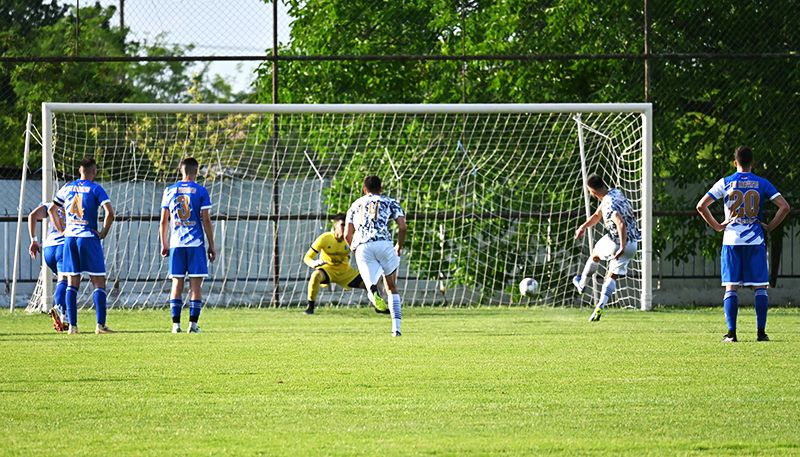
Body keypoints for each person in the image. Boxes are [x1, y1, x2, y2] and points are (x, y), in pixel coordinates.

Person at [696, 146, 790, 342]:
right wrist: (770, 226)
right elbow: (784, 207)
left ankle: (731, 334)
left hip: (731, 240)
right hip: (755, 239)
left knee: (731, 287)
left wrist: (717, 226)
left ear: (734, 162)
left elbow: (701, 206)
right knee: (760, 287)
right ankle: (761, 333)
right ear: (752, 163)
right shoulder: (761, 183)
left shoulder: (726, 182)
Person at [50, 157, 115, 335]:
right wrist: (103, 232)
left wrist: (61, 230)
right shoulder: (96, 188)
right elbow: (110, 213)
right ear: (94, 171)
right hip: (88, 237)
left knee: (72, 282)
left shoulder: (67, 187)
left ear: (80, 170)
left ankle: (73, 326)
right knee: (99, 282)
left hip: (70, 239)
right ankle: (100, 326)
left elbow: (52, 209)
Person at [572, 173, 641, 322]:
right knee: (612, 276)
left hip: (616, 242)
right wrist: (583, 227)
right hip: (633, 244)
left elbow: (620, 223)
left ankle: (582, 283)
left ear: (593, 191)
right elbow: (597, 216)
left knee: (595, 254)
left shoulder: (609, 204)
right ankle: (599, 307)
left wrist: (621, 246)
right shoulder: (616, 192)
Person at [345, 176, 407, 336]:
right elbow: (402, 226)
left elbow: (347, 234)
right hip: (384, 244)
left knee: (370, 283)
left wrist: (354, 247)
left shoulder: (355, 204)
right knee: (391, 286)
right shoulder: (390, 202)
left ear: (364, 189)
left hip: (363, 246)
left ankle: (372, 292)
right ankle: (396, 329)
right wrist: (399, 245)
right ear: (381, 188)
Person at [160, 157, 216, 333]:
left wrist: (164, 243)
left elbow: (163, 221)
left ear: (180, 170)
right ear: (196, 171)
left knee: (177, 284)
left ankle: (176, 325)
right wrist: (212, 245)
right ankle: (192, 325)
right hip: (195, 244)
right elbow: (206, 219)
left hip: (176, 244)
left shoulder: (169, 190)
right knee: (195, 286)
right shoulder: (201, 191)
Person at [302, 214, 381, 315]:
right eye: (343, 225)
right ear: (335, 225)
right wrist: (315, 263)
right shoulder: (325, 238)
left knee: (370, 282)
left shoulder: (352, 239)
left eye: (348, 225)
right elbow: (307, 258)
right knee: (315, 275)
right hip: (328, 270)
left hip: (345, 272)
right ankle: (310, 307)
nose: (345, 228)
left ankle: (378, 307)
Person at [28, 202, 69, 332]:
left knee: (66, 282)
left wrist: (34, 240)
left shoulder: (51, 205)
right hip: (64, 246)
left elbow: (32, 215)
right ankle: (59, 308)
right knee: (68, 280)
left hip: (48, 249)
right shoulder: (76, 205)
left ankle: (64, 318)